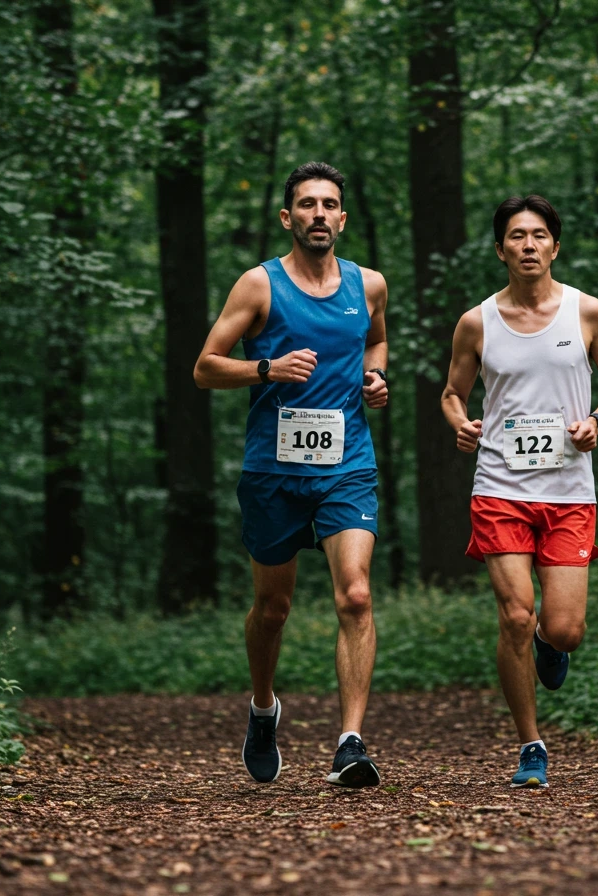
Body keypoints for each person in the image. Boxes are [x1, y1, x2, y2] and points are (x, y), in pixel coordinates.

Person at [194, 162, 388, 788]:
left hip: (346, 465)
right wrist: (265, 370)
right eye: (306, 205)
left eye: (329, 204)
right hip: (273, 470)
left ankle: (351, 743)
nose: (318, 215)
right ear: (288, 218)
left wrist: (374, 377)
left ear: (343, 217)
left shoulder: (370, 285)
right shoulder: (259, 285)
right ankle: (262, 707)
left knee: (355, 594)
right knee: (272, 609)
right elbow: (204, 367)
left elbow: (375, 341)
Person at [440, 195, 598, 789]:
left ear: (555, 245)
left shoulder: (587, 312)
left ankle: (553, 646)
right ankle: (531, 744)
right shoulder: (478, 322)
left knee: (564, 627)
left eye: (540, 235)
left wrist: (597, 421)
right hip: (499, 486)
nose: (529, 245)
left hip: (569, 488)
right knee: (517, 615)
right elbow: (452, 393)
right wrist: (461, 424)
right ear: (500, 249)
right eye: (517, 236)